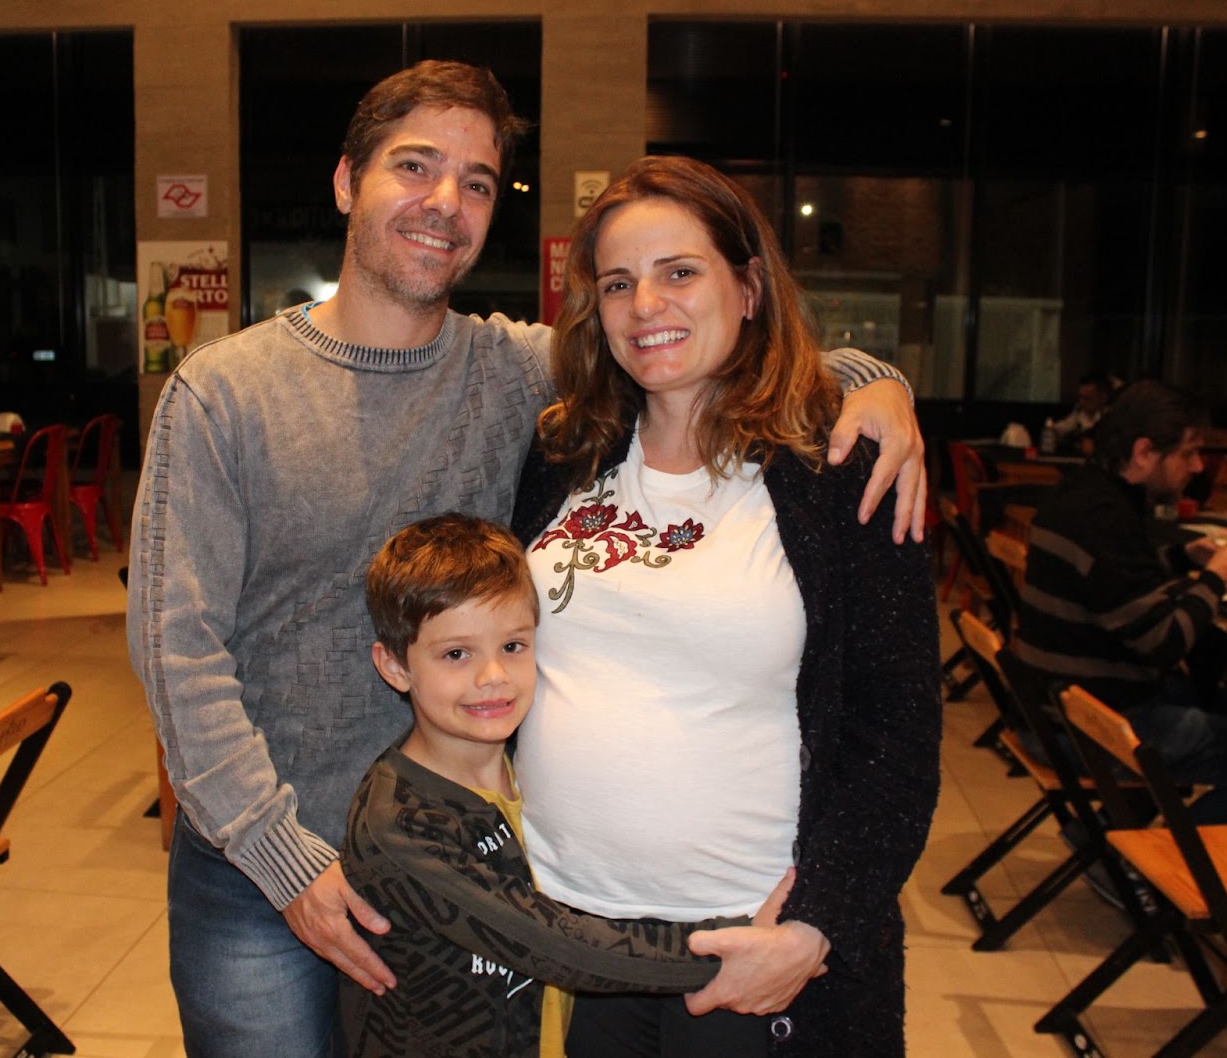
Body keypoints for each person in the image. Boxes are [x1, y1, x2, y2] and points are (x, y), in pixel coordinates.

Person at [128, 61, 925, 1058]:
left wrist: (873, 380)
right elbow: (175, 649)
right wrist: (282, 859)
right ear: (345, 182)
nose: (443, 201)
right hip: (267, 866)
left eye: (475, 181)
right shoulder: (223, 392)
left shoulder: (517, 374)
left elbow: (683, 344)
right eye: (413, 165)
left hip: (467, 859)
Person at [509, 155, 942, 1057]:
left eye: (680, 272)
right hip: (568, 935)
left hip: (748, 948)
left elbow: (898, 731)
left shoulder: (839, 468)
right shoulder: (564, 451)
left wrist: (816, 927)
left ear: (748, 288)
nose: (645, 306)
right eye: (618, 283)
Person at [345, 513, 758, 1058]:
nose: (493, 676)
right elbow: (559, 946)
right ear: (396, 666)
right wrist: (736, 947)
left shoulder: (536, 766)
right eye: (456, 654)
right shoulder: (398, 824)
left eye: (513, 646)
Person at [1006, 379, 1227, 825]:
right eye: (1188, 453)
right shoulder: (1106, 518)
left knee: (1222, 703)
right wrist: (1218, 575)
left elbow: (1110, 584)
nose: (1198, 466)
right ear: (1144, 452)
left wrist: (1184, 557)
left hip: (1050, 708)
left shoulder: (1079, 494)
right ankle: (1154, 860)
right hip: (1083, 728)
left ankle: (1108, 837)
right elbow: (1163, 642)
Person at [1046, 370, 1112, 455]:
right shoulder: (1079, 414)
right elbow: (1060, 428)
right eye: (1080, 397)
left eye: (1087, 399)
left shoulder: (1112, 417)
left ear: (1104, 397)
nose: (1081, 402)